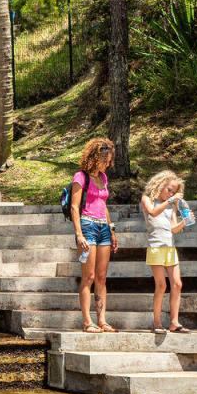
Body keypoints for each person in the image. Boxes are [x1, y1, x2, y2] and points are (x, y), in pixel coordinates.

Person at [71, 137, 119, 333]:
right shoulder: (80, 177)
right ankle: (87, 321)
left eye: (109, 161)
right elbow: (74, 207)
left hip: (103, 229)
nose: (109, 164)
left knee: (101, 277)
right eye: (106, 160)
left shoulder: (104, 178)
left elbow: (104, 205)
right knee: (88, 276)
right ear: (95, 157)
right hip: (87, 226)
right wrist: (79, 234)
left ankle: (102, 320)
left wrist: (112, 229)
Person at [140, 170, 191, 333]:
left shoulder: (171, 206)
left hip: (170, 247)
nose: (171, 193)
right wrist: (170, 201)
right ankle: (157, 322)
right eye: (169, 189)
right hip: (156, 247)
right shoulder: (147, 199)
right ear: (160, 185)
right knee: (161, 285)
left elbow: (173, 229)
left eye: (174, 192)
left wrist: (185, 221)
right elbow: (153, 213)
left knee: (177, 284)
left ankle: (174, 322)